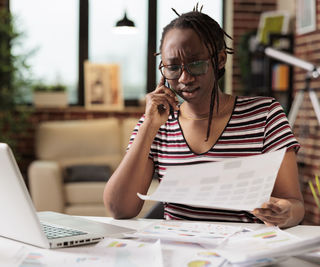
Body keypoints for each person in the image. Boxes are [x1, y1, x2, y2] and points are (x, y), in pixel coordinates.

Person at [103, 7, 305, 228]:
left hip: (245, 253)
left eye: (196, 64)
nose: (185, 77)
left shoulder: (265, 116)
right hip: (178, 253)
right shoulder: (156, 124)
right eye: (172, 68)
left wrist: (286, 213)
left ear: (219, 59)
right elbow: (118, 208)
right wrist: (149, 126)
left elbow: (295, 205)